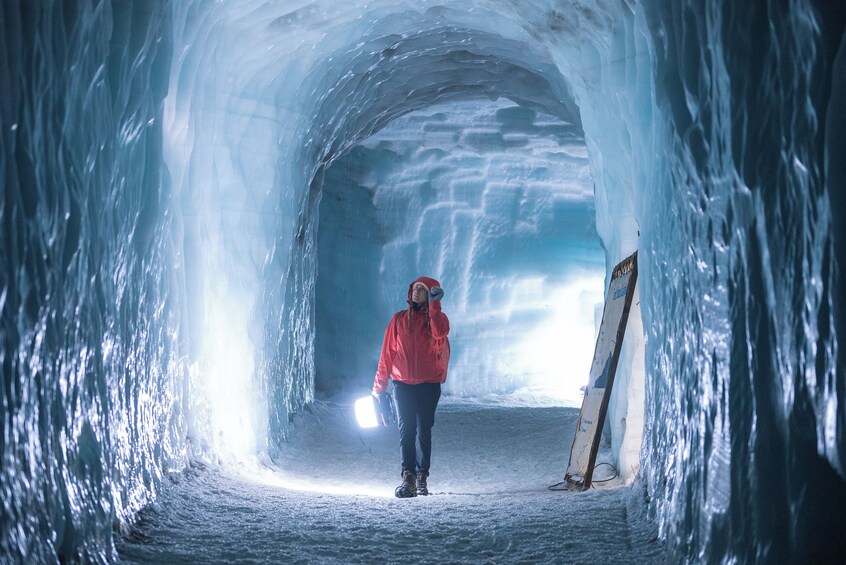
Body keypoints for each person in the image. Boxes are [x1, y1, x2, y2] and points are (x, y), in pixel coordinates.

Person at [373, 276, 451, 498]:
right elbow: (386, 355)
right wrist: (379, 388)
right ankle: (408, 477)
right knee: (406, 429)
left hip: (429, 384)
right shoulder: (398, 320)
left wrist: (435, 306)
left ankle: (422, 476)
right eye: (415, 288)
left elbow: (439, 332)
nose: (417, 292)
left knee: (423, 430)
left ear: (430, 293)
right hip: (402, 384)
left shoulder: (439, 319)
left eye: (422, 289)